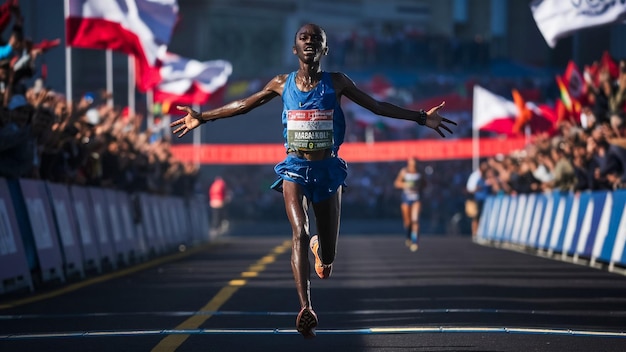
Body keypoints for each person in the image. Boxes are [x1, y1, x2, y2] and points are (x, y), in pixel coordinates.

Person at [170, 23, 456, 339]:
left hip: (328, 171)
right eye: (303, 38)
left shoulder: (337, 82)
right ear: (295, 49)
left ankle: (323, 250)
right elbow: (243, 106)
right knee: (299, 232)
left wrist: (420, 117)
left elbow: (376, 106)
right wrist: (202, 117)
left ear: (324, 50)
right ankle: (306, 307)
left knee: (328, 255)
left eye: (316, 39)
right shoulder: (282, 83)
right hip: (293, 168)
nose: (309, 42)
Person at [393, 157, 425, 251]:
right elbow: (396, 183)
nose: (413, 166)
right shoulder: (404, 172)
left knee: (415, 220)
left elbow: (425, 184)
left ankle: (415, 241)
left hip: (416, 198)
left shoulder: (420, 173)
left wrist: (418, 186)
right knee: (408, 221)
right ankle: (408, 236)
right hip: (406, 198)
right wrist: (405, 185)